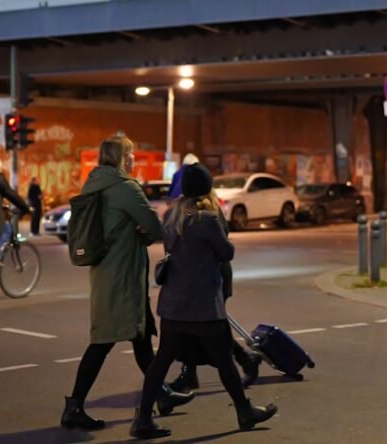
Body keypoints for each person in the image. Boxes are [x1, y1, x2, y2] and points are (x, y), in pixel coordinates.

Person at [131, 163, 276, 439]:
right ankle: (245, 411)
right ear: (207, 189)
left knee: (161, 361)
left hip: (174, 305)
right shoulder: (206, 219)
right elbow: (226, 252)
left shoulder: (172, 216)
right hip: (203, 306)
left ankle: (144, 418)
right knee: (224, 360)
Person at [60, 135, 193, 431]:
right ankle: (74, 407)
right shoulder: (125, 188)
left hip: (106, 273)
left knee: (141, 337)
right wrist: (140, 232)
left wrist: (133, 230)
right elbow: (154, 227)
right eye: (130, 154)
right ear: (122, 158)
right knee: (103, 342)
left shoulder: (94, 184)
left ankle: (162, 394)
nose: (133, 159)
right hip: (123, 277)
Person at [168, 214, 262, 392]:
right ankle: (191, 373)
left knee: (210, 328)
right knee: (197, 327)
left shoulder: (206, 214)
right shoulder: (188, 211)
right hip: (199, 277)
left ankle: (243, 362)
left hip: (211, 276)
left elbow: (223, 248)